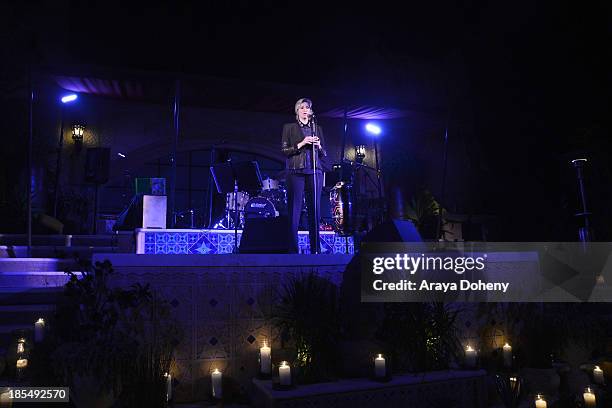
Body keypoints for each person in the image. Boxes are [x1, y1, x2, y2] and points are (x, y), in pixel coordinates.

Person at [281, 98, 327, 254]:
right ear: (297, 111)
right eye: (302, 108)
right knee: (295, 210)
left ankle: (316, 249)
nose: (305, 110)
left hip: (315, 172)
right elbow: (285, 151)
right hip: (296, 172)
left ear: (311, 111)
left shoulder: (317, 128)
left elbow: (324, 154)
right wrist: (302, 143)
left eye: (307, 107)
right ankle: (293, 250)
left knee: (315, 210)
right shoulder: (289, 128)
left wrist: (319, 146)